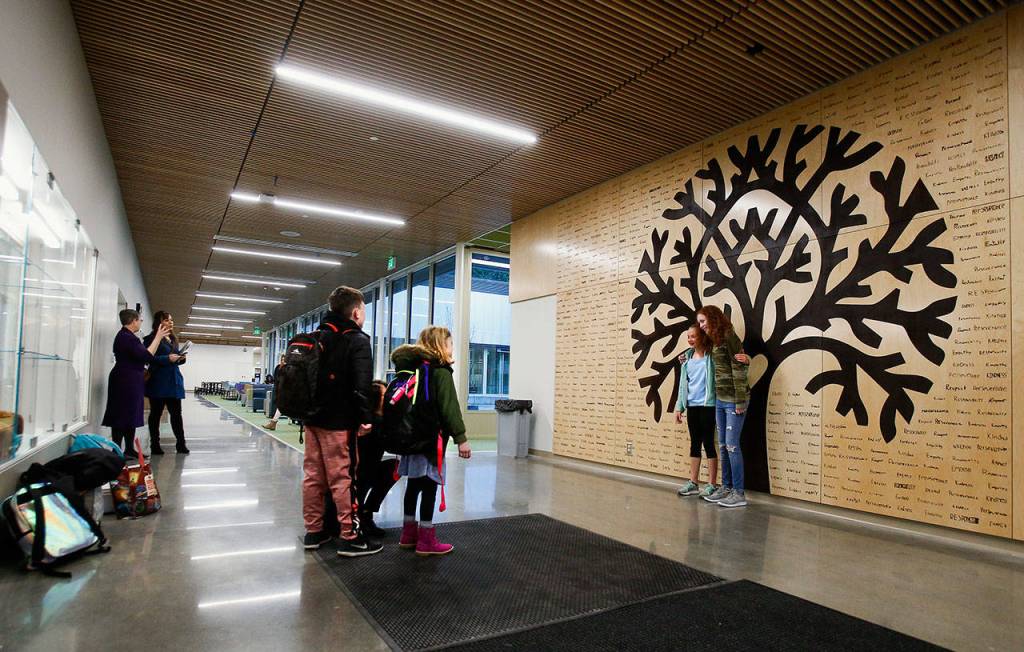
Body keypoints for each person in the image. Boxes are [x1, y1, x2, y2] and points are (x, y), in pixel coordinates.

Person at [301, 286, 381, 557]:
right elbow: (361, 384)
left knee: (313, 476)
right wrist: (366, 418)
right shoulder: (356, 339)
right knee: (343, 477)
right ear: (356, 312)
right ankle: (350, 535)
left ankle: (314, 531)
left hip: (311, 420)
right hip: (339, 421)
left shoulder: (317, 335)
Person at [394, 326, 471, 556]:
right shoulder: (441, 372)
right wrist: (461, 439)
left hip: (410, 439)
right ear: (441, 345)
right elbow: (450, 409)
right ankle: (426, 540)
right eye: (449, 343)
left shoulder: (412, 368)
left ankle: (408, 535)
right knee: (429, 487)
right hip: (430, 441)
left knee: (413, 486)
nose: (451, 347)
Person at [697, 305, 751, 508]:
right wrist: (684, 356)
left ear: (713, 318)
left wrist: (739, 401)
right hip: (719, 400)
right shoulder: (711, 340)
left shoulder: (729, 336)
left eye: (703, 321)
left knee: (732, 445)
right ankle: (726, 487)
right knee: (722, 445)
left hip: (734, 399)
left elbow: (739, 367)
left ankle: (738, 493)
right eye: (700, 323)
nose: (701, 326)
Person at [102, 309, 170, 457]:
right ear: (133, 321)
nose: (140, 323)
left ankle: (129, 449)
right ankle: (118, 450)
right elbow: (146, 356)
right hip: (125, 380)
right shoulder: (126, 338)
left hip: (131, 379)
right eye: (139, 320)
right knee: (122, 414)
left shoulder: (128, 337)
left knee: (130, 414)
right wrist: (157, 337)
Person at [675, 325, 718, 498]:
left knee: (708, 443)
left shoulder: (711, 357)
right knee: (694, 444)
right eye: (688, 337)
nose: (690, 339)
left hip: (708, 406)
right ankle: (693, 482)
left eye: (693, 336)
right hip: (692, 406)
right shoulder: (686, 359)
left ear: (701, 336)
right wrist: (679, 406)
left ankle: (712, 484)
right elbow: (682, 384)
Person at [355, 380, 397, 537]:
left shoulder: (381, 422)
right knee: (364, 477)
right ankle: (360, 517)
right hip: (359, 471)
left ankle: (366, 512)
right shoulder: (369, 424)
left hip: (369, 469)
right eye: (384, 395)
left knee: (395, 466)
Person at [143, 311, 189, 455]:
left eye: (171, 320)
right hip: (158, 382)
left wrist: (181, 359)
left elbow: (173, 359)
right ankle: (155, 444)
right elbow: (149, 358)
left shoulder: (173, 338)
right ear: (160, 322)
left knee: (177, 414)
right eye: (168, 320)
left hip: (174, 382)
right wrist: (167, 359)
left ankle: (181, 443)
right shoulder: (150, 338)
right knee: (156, 414)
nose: (171, 323)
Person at [264, 354, 286, 430]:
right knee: (280, 406)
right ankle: (273, 423)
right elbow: (276, 378)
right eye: (282, 359)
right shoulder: (278, 368)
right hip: (281, 390)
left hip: (289, 391)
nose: (283, 361)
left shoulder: (289, 369)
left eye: (285, 359)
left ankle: (273, 423)